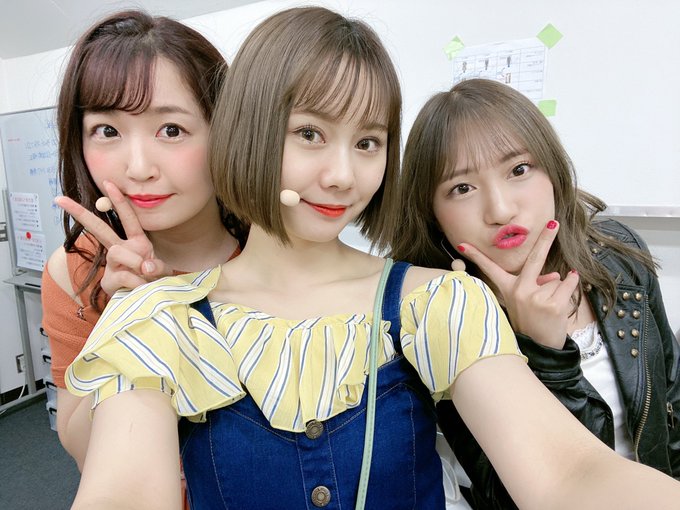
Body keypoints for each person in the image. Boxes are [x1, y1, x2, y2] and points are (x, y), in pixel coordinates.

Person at [65, 7, 680, 510]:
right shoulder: (158, 319)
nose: (342, 175)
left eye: (367, 142)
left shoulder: (438, 302)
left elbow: (568, 473)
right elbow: (124, 493)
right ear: (249, 129)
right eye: (309, 133)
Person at [391, 77, 680, 508]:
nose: (500, 209)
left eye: (519, 170)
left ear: (552, 170)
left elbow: (673, 410)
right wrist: (545, 352)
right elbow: (516, 496)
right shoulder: (440, 315)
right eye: (462, 188)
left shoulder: (617, 254)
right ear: (432, 214)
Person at [41, 10, 246, 471]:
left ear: (226, 131)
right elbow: (81, 449)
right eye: (107, 131)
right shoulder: (74, 270)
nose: (137, 168)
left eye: (171, 130)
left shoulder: (273, 251)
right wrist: (127, 318)